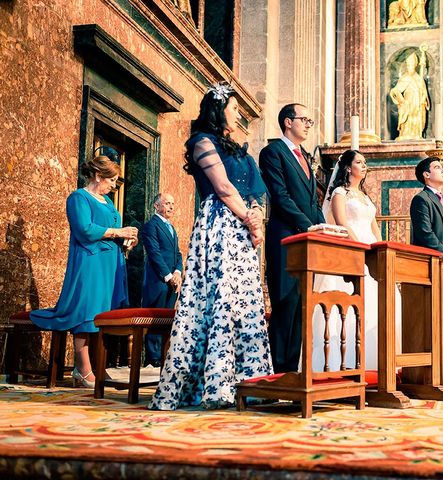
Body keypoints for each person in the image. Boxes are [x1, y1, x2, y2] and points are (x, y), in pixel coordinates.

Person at [150, 83, 272, 410]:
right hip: (220, 224)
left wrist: (257, 215)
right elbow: (222, 186)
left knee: (242, 302)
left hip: (244, 228)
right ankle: (215, 386)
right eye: (234, 109)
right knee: (217, 298)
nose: (238, 116)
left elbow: (256, 192)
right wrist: (249, 217)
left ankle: (248, 383)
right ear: (218, 111)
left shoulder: (240, 150)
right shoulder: (202, 142)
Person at [30, 155, 138, 387]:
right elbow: (85, 229)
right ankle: (83, 369)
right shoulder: (78, 197)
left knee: (103, 314)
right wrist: (118, 233)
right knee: (87, 313)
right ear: (98, 176)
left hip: (110, 263)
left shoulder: (108, 203)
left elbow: (113, 231)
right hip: (90, 263)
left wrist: (127, 240)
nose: (113, 185)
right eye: (112, 180)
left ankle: (99, 366)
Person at [259, 103, 325, 373]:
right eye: (304, 119)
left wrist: (326, 227)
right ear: (288, 122)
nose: (309, 124)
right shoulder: (272, 152)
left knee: (301, 306)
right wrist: (308, 225)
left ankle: (294, 370)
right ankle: (278, 372)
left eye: (310, 120)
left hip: (307, 241)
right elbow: (281, 196)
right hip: (285, 238)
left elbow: (312, 201)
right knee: (285, 303)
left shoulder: (305, 156)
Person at [312, 150, 385, 372]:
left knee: (376, 305)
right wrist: (361, 248)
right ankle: (341, 362)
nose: (364, 166)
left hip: (371, 251)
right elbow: (342, 223)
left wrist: (380, 251)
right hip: (351, 250)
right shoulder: (339, 193)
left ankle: (377, 362)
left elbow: (375, 227)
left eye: (365, 162)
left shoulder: (365, 197)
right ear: (347, 168)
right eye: (359, 162)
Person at [140, 193, 183, 367]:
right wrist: (168, 276)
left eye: (173, 203)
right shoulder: (151, 226)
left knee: (167, 320)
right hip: (158, 280)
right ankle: (153, 358)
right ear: (156, 206)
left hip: (173, 281)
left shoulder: (171, 228)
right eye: (167, 203)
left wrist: (178, 272)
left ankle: (164, 355)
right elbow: (154, 253)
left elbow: (178, 253)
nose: (171, 207)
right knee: (155, 319)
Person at [410, 157, 443, 257]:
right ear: (426, 174)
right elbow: (424, 232)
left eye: (442, 167)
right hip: (429, 258)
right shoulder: (421, 199)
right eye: (437, 167)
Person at [389, 51, 430, 140]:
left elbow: (424, 93)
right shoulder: (404, 77)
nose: (409, 66)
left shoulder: (419, 79)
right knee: (407, 120)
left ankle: (416, 134)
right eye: (408, 64)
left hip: (417, 103)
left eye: (411, 64)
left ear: (415, 65)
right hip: (407, 103)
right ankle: (404, 133)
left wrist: (423, 100)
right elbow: (396, 90)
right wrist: (400, 99)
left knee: (416, 119)